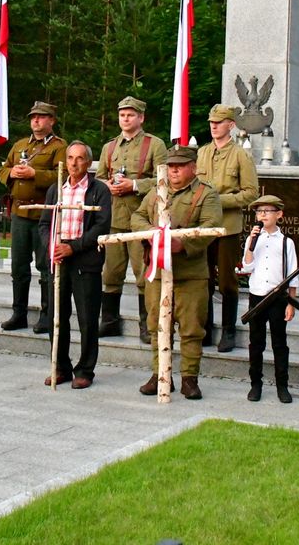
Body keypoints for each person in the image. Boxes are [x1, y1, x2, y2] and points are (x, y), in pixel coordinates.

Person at [131, 145, 222, 400]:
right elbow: (136, 217)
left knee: (192, 329)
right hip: (158, 273)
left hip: (190, 274)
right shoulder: (156, 193)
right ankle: (161, 374)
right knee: (156, 326)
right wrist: (152, 234)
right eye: (171, 165)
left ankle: (190, 378)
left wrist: (184, 244)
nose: (174, 170)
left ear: (193, 168)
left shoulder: (206, 194)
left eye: (180, 165)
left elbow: (212, 226)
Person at [37, 141, 112, 388]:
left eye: (80, 158)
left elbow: (101, 225)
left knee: (87, 318)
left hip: (84, 258)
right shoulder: (55, 189)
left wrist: (74, 246)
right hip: (59, 258)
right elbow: (45, 224)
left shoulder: (98, 190)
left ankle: (85, 370)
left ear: (88, 162)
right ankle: (60, 367)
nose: (74, 163)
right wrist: (53, 247)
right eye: (70, 158)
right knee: (56, 315)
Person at [95, 96, 168, 342]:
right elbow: (99, 178)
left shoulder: (154, 145)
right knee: (111, 274)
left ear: (141, 117)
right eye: (122, 115)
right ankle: (110, 321)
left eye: (130, 115)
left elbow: (163, 179)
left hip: (141, 219)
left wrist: (134, 185)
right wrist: (109, 186)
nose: (125, 119)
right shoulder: (109, 147)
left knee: (142, 274)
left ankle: (147, 325)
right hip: (114, 217)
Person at [0, 101, 67, 334]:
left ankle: (47, 315)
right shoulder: (19, 145)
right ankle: (19, 313)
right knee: (18, 265)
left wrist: (34, 174)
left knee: (45, 266)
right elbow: (2, 169)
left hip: (43, 215)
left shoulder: (59, 147)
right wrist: (12, 173)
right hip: (19, 213)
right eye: (33, 117)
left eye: (41, 117)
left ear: (52, 121)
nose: (36, 120)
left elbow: (63, 175)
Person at [196, 104, 258, 352]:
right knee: (204, 278)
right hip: (203, 226)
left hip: (228, 226)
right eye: (211, 121)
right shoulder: (201, 153)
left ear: (231, 125)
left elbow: (251, 193)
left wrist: (220, 201)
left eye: (219, 122)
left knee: (228, 281)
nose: (213, 126)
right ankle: (207, 329)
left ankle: (229, 331)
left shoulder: (241, 155)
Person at [240, 195, 299, 403]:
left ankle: (282, 385)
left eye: (267, 211)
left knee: (279, 343)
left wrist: (291, 303)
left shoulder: (286, 242)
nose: (262, 215)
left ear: (279, 215)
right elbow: (247, 266)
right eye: (259, 211)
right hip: (257, 296)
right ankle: (255, 384)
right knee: (256, 342)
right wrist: (251, 245)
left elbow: (293, 275)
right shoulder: (253, 239)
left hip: (278, 298)